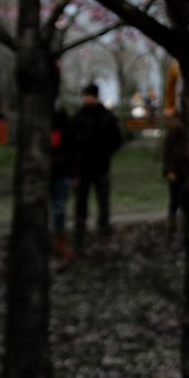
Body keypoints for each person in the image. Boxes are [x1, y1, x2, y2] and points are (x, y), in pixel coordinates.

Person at [69, 83, 123, 252]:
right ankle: (80, 233)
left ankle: (104, 232)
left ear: (95, 96)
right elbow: (70, 143)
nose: (86, 98)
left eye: (88, 95)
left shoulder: (107, 117)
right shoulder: (78, 117)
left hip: (101, 167)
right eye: (84, 96)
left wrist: (104, 153)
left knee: (103, 201)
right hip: (82, 168)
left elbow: (117, 141)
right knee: (80, 203)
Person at [50, 105, 74, 263]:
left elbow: (70, 153)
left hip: (62, 176)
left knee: (59, 209)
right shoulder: (46, 132)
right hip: (50, 176)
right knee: (57, 209)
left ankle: (60, 241)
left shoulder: (65, 133)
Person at [160, 105, 186, 237]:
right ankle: (173, 224)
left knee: (178, 199)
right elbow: (167, 150)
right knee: (176, 199)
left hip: (181, 169)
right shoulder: (174, 126)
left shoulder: (180, 124)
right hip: (176, 170)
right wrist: (169, 170)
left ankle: (176, 224)